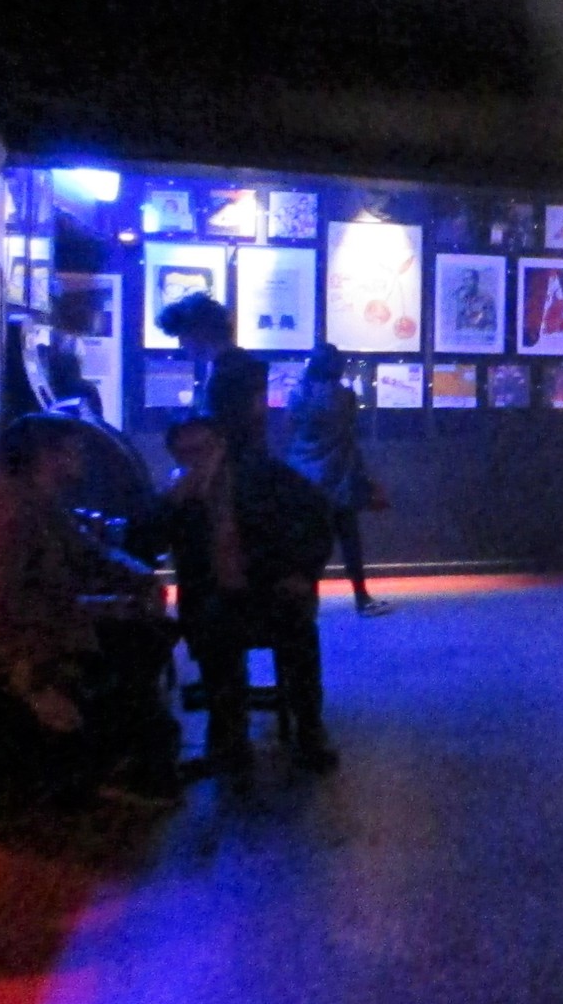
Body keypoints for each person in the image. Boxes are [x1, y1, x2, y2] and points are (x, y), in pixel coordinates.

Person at [0, 414, 173, 807]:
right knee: (136, 645)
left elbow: (92, 555)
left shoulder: (41, 504)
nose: (82, 457)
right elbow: (7, 603)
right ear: (47, 456)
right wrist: (101, 607)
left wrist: (140, 579)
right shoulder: (9, 515)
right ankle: (127, 770)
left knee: (145, 637)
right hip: (34, 644)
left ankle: (131, 766)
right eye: (73, 450)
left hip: (55, 629)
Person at [165, 416, 339, 778]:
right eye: (186, 454)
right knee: (212, 628)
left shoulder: (260, 476)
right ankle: (229, 738)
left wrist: (301, 572)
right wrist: (172, 505)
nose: (197, 460)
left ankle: (309, 728)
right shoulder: (181, 494)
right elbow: (145, 540)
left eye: (203, 449)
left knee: (295, 629)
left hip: (269, 587)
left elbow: (316, 512)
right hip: (215, 597)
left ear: (221, 446)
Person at [286, 343, 393, 618]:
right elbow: (350, 432)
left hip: (304, 476)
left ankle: (305, 602)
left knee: (308, 544)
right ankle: (361, 598)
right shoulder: (344, 397)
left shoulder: (298, 394)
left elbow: (291, 428)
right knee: (349, 539)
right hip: (339, 474)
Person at [156, 292, 267, 454]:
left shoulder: (226, 375)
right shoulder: (241, 365)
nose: (181, 344)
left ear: (199, 332)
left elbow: (224, 436)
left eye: (183, 335)